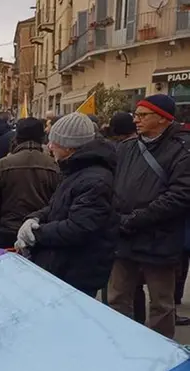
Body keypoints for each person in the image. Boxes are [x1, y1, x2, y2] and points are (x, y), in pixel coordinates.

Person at [108, 95, 190, 338]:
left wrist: (138, 218)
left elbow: (180, 195)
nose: (136, 120)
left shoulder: (183, 150)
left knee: (161, 304)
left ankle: (160, 354)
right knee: (117, 298)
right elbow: (112, 185)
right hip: (125, 235)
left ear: (163, 119)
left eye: (143, 115)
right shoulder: (126, 148)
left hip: (160, 238)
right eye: (136, 114)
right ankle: (119, 344)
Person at [16, 112, 118, 297]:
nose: (49, 146)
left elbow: (78, 228)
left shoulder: (95, 179)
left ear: (69, 146)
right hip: (64, 265)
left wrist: (37, 234)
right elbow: (57, 206)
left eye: (54, 141)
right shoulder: (76, 171)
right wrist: (35, 218)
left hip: (78, 271)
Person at [0, 118, 61, 248]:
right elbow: (60, 204)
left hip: (8, 232)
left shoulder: (1, 166)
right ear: (42, 137)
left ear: (16, 137)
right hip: (41, 232)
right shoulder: (55, 166)